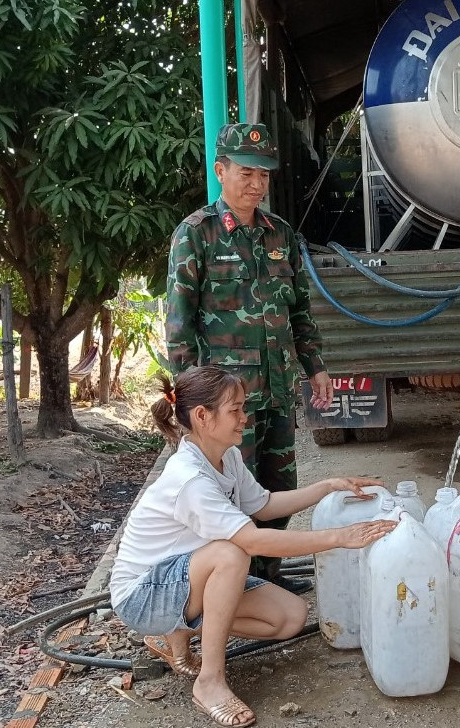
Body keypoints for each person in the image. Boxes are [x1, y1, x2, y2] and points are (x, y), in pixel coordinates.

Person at [109, 365, 394, 728]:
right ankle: (209, 682)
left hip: (185, 581)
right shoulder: (190, 479)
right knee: (232, 552)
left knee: (290, 617)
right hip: (142, 596)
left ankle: (179, 631)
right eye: (235, 410)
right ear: (202, 416)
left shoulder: (224, 456)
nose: (245, 418)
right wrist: (340, 537)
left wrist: (329, 486)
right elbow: (254, 540)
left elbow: (263, 505)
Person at [165, 122, 334, 594]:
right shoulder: (196, 234)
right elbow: (179, 327)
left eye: (264, 175)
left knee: (277, 490)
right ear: (221, 171)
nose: (257, 184)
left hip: (277, 391)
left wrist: (315, 366)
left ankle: (269, 582)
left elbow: (300, 310)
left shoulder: (281, 235)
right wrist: (191, 405)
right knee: (229, 496)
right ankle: (234, 588)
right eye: (246, 172)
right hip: (225, 403)